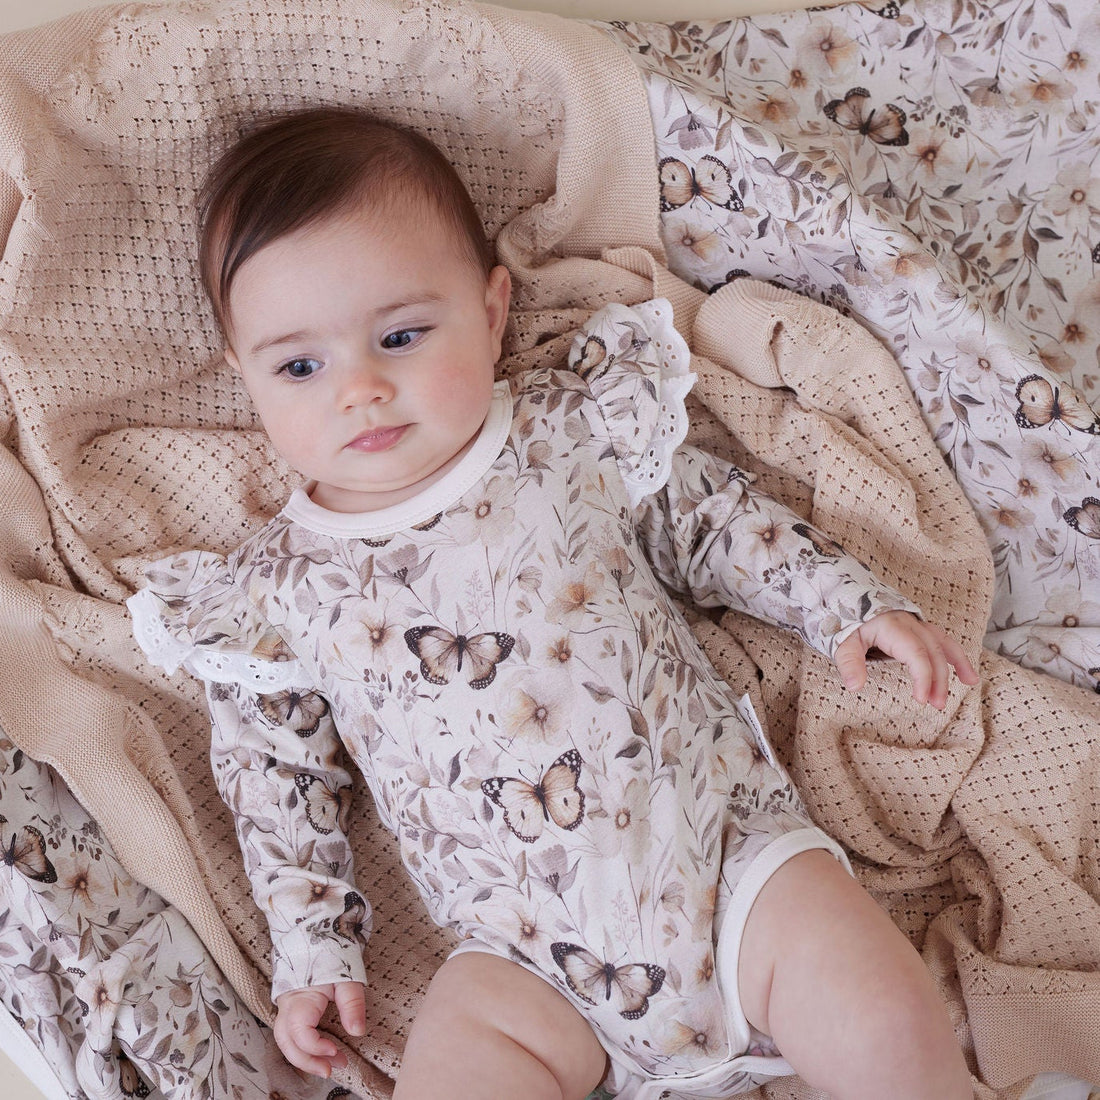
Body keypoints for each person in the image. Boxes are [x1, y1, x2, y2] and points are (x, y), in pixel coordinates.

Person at [128, 106, 979, 1100]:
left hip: (723, 864)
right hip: (524, 964)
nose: (358, 388)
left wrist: (842, 602)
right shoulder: (274, 590)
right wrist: (315, 952)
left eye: (400, 334)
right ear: (246, 378)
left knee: (878, 1010)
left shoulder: (563, 435)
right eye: (300, 366)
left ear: (489, 312)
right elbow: (275, 785)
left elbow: (706, 519)